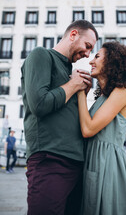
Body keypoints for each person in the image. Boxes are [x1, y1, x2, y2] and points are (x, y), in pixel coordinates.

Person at [21, 20, 98, 215]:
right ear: (73, 35)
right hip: (50, 161)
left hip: (78, 165)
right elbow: (39, 104)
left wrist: (82, 92)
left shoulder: (70, 73)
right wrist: (73, 86)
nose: (88, 54)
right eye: (87, 46)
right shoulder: (41, 55)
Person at [77, 41, 126, 215]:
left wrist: (79, 93)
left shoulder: (122, 91)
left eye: (97, 56)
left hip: (107, 164)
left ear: (112, 61)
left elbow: (88, 129)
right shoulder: (103, 97)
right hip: (94, 161)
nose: (91, 61)